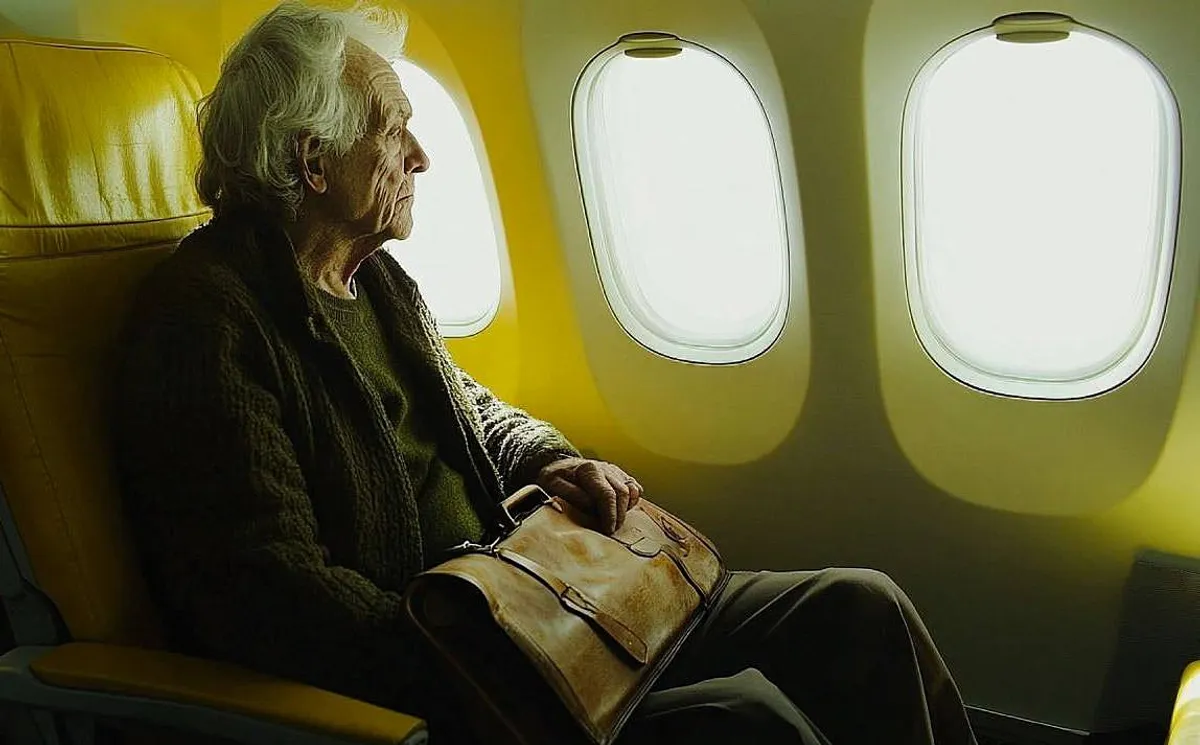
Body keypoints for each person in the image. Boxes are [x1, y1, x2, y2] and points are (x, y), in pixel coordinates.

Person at [113, 3, 978, 744]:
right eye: (393, 128)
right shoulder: (208, 323)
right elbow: (268, 590)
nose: (421, 156)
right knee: (751, 720)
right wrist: (485, 640)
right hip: (459, 662)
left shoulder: (371, 279)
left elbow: (463, 405)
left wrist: (548, 457)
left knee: (860, 609)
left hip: (531, 590)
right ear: (314, 162)